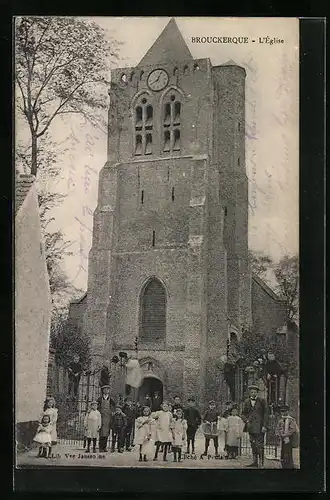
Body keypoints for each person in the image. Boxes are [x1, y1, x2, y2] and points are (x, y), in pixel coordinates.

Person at [241, 384, 268, 468]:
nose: (253, 393)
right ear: (249, 393)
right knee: (253, 444)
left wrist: (264, 426)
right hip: (251, 427)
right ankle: (255, 462)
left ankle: (261, 463)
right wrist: (246, 420)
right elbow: (242, 414)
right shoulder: (246, 401)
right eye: (251, 392)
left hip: (260, 427)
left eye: (255, 392)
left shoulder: (262, 401)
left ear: (257, 392)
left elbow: (266, 414)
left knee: (260, 445)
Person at [275, 404, 299, 469]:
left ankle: (289, 465)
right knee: (282, 451)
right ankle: (284, 464)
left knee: (287, 451)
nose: (283, 413)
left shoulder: (291, 420)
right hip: (282, 438)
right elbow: (277, 428)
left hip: (289, 438)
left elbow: (292, 429)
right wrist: (278, 434)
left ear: (287, 411)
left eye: (284, 411)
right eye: (282, 411)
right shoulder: (280, 420)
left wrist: (285, 435)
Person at [97, 385, 116, 452]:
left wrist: (113, 412)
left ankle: (104, 447)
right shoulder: (99, 399)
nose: (106, 391)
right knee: (101, 433)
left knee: (106, 433)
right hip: (101, 417)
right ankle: (100, 447)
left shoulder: (111, 399)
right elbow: (97, 406)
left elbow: (114, 406)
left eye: (107, 389)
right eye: (104, 389)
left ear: (109, 391)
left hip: (108, 417)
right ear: (102, 391)